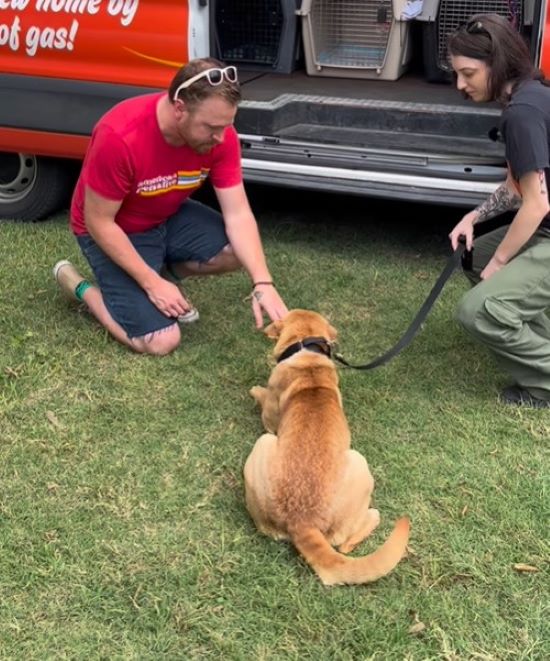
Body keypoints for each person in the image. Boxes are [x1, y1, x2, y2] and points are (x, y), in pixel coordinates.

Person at [53, 57, 288, 355]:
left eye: (227, 125)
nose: (221, 137)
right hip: (112, 229)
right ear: (179, 108)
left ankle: (167, 278)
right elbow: (98, 222)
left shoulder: (221, 136)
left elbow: (238, 213)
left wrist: (263, 281)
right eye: (211, 127)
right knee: (161, 340)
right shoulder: (120, 136)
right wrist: (151, 284)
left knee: (236, 251)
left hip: (166, 214)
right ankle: (80, 287)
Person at [448, 14, 550, 408]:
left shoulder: (522, 113)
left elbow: (537, 203)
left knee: (478, 311)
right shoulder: (528, 96)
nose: (461, 85)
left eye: (469, 73)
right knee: (475, 254)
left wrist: (502, 262)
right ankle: (536, 338)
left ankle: (544, 381)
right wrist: (473, 218)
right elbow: (516, 187)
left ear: (497, 63)